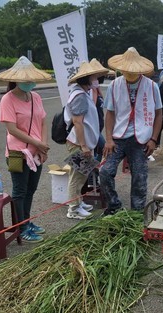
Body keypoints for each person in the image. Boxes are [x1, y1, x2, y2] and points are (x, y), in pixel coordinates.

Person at [100, 47, 163, 215]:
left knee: (139, 178)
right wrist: (108, 139)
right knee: (105, 172)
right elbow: (110, 114)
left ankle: (137, 213)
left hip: (141, 138)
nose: (129, 73)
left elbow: (158, 114)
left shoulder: (151, 86)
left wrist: (154, 139)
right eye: (126, 70)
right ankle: (114, 206)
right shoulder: (114, 85)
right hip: (118, 137)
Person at [0, 56, 51, 243]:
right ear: (16, 79)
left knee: (31, 189)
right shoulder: (7, 99)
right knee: (20, 191)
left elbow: (43, 121)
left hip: (36, 152)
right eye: (25, 79)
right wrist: (38, 144)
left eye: (31, 79)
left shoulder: (36, 97)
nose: (29, 82)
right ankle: (20, 228)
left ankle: (26, 221)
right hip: (17, 153)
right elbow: (12, 129)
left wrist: (42, 146)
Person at [64, 59, 109, 219]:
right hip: (78, 142)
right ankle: (73, 209)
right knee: (77, 176)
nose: (96, 79)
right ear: (87, 79)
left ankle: (78, 202)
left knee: (80, 174)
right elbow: (77, 121)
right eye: (94, 77)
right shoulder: (80, 96)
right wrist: (83, 146)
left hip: (82, 142)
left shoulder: (82, 93)